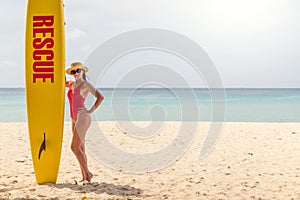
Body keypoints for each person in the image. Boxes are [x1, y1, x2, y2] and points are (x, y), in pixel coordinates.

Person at [65, 62, 104, 184]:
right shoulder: (71, 84)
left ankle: (88, 173)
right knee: (81, 147)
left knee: (74, 147)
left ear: (83, 72)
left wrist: (90, 111)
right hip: (73, 118)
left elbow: (100, 97)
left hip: (82, 117)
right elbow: (59, 81)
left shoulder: (85, 84)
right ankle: (84, 176)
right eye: (73, 71)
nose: (76, 73)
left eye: (78, 71)